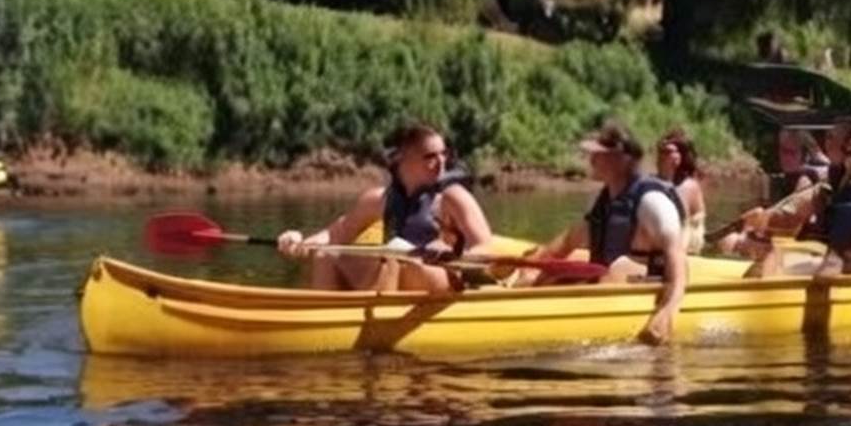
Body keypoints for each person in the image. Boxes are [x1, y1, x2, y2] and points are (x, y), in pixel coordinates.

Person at [276, 122, 494, 293]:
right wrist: (299, 242)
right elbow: (335, 234)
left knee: (396, 261)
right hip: (393, 276)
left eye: (443, 154)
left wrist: (452, 256)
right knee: (325, 254)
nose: (441, 162)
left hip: (439, 279)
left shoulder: (453, 197)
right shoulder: (378, 199)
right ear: (404, 159)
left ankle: (371, 322)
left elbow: (485, 247)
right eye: (430, 156)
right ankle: (326, 318)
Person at [530, 122, 689, 346]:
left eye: (599, 154)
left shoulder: (652, 202)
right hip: (609, 284)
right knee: (550, 274)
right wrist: (526, 270)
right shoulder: (606, 202)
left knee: (619, 269)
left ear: (622, 159)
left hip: (645, 282)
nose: (591, 160)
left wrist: (668, 309)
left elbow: (678, 258)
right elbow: (567, 241)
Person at [744, 118, 851, 278]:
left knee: (840, 262)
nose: (827, 144)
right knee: (773, 259)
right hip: (840, 264)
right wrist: (765, 217)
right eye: (828, 137)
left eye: (833, 138)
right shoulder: (829, 186)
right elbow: (794, 210)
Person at [656, 129, 708, 255]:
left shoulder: (688, 186)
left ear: (679, 158)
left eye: (666, 152)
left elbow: (677, 222)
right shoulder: (656, 182)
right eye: (660, 151)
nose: (660, 156)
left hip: (686, 249)